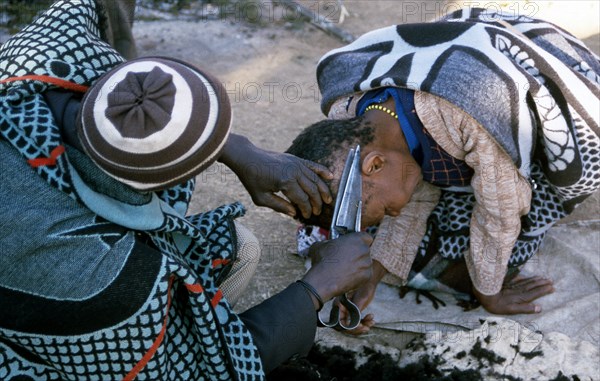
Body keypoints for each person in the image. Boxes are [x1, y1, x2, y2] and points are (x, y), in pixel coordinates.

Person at [0, 0, 373, 379]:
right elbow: (193, 373)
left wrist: (238, 150)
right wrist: (316, 288)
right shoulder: (107, 284)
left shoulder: (33, 64)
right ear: (165, 183)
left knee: (240, 246)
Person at [287, 7, 599, 334]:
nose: (386, 217)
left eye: (378, 211)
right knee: (364, 236)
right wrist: (372, 277)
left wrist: (487, 292)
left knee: (496, 252)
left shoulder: (474, 117)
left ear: (375, 164)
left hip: (532, 88)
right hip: (449, 104)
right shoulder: (347, 115)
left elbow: (501, 211)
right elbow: (414, 198)